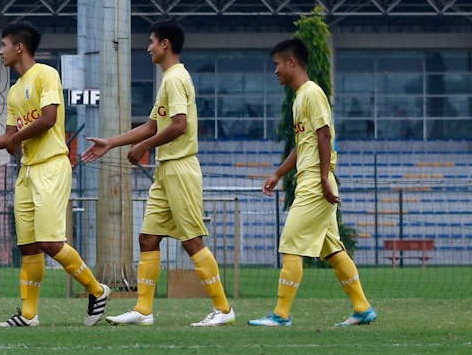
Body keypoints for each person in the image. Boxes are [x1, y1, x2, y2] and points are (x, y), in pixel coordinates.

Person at [0, 22, 110, 327]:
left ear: (19, 47)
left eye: (2, 45)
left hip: (52, 165)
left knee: (50, 242)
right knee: (27, 245)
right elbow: (9, 136)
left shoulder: (46, 74)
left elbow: (48, 118)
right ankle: (29, 314)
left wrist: (15, 139)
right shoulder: (15, 91)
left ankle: (97, 291)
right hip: (27, 170)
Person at [81, 22, 235, 327]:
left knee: (191, 241)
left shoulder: (176, 79)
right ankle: (143, 309)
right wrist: (111, 143)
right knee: (148, 238)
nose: (148, 47)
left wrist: (143, 148)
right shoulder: (168, 80)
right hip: (167, 171)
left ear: (165, 44)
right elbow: (153, 125)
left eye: (151, 42)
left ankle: (223, 308)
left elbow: (179, 125)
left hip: (181, 168)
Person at [249, 38, 375, 328]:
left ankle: (280, 314)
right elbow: (303, 143)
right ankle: (362, 308)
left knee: (291, 244)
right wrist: (278, 172)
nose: (275, 71)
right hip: (312, 177)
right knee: (331, 248)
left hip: (315, 181)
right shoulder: (299, 98)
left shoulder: (312, 93)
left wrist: (322, 179)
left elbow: (324, 136)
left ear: (292, 62)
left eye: (277, 64)